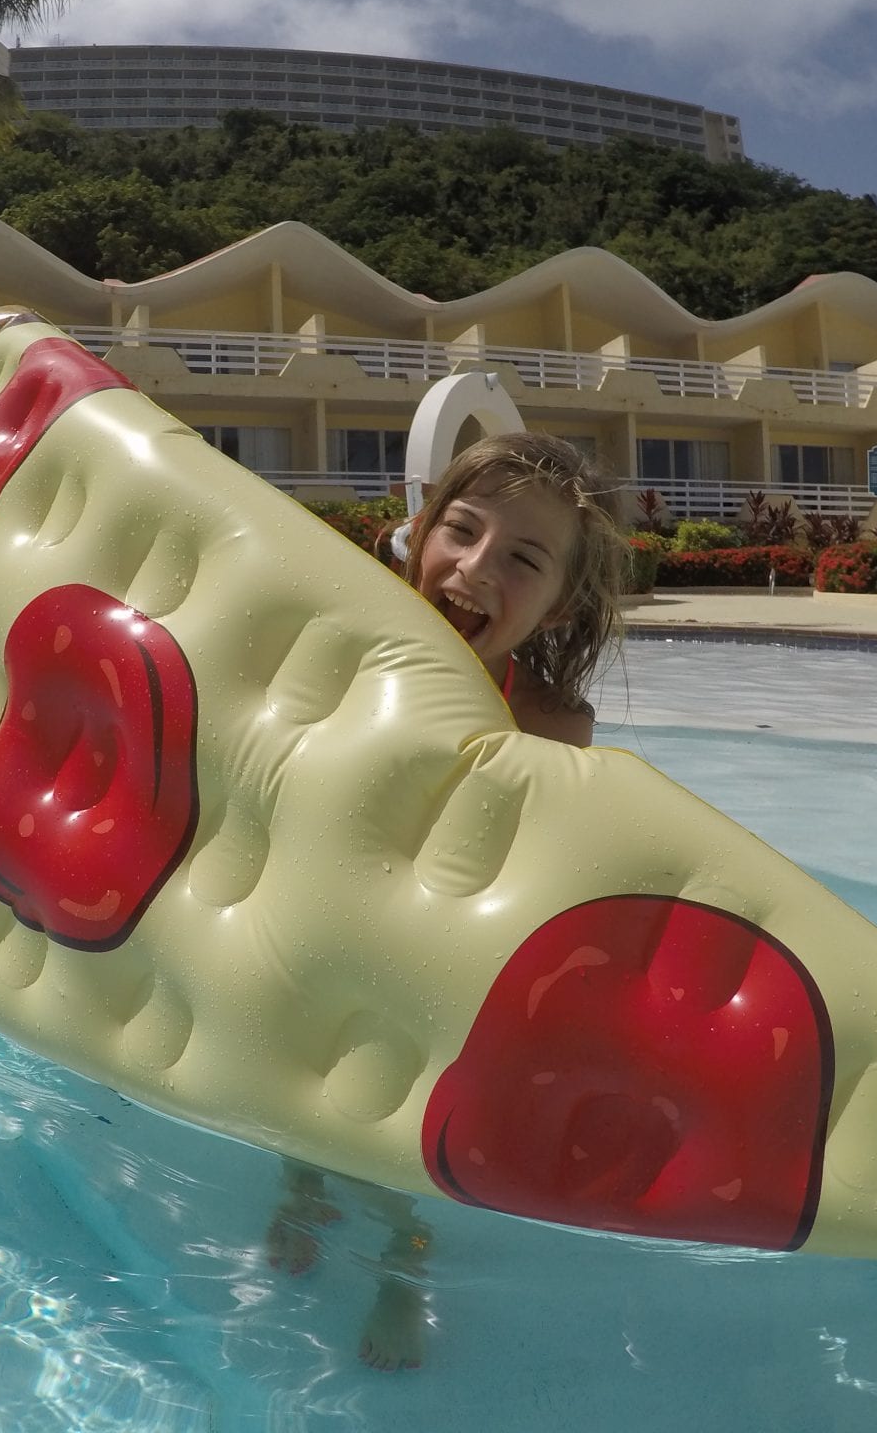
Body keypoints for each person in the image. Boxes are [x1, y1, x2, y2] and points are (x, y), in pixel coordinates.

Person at [266, 431, 627, 1370]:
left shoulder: (551, 723)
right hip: (324, 918)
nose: (474, 568)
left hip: (435, 956)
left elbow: (544, 872)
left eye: (523, 559)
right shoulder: (345, 641)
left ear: (560, 607)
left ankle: (401, 1258)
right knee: (307, 1077)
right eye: (460, 532)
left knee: (399, 1119)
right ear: (418, 532)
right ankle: (303, 1185)